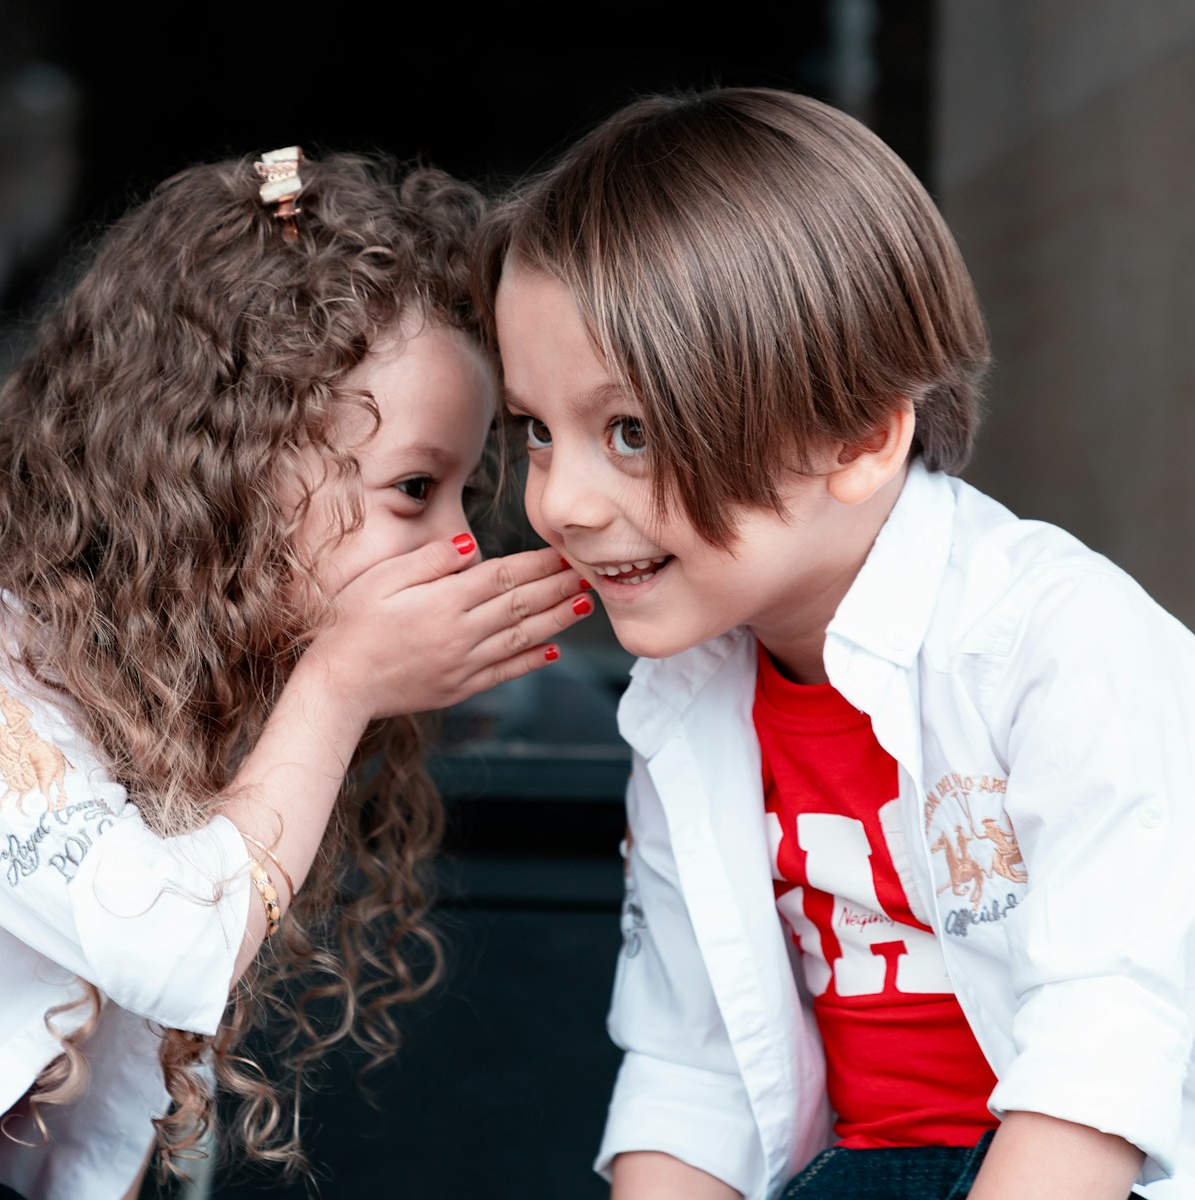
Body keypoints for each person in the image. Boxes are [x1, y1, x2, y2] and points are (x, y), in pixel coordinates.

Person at [0, 147, 595, 1200]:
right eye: (413, 490)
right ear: (233, 459)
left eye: (463, 492)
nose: (458, 546)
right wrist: (341, 684)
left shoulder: (152, 675)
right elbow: (170, 946)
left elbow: (110, 1105)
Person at [475, 87, 1195, 1200]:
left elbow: (1110, 1045)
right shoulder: (687, 698)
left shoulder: (1056, 643)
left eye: (630, 432)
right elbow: (691, 1070)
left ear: (860, 435)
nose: (560, 502)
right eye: (537, 429)